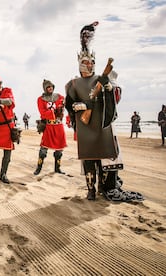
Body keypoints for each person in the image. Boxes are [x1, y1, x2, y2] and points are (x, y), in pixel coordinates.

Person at [65, 21, 143, 201]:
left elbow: (113, 96)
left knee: (107, 156)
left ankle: (105, 186)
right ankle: (90, 190)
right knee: (90, 158)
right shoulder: (73, 83)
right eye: (86, 62)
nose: (90, 65)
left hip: (103, 124)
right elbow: (69, 104)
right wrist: (79, 107)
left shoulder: (100, 79)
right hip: (86, 127)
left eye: (92, 62)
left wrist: (108, 88)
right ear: (79, 63)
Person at [33, 79, 67, 175]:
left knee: (59, 149)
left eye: (51, 86)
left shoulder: (60, 97)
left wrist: (61, 110)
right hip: (48, 126)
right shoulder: (40, 99)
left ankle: (57, 168)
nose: (50, 88)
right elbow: (42, 113)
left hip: (59, 125)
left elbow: (64, 106)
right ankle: (38, 168)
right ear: (45, 89)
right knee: (43, 149)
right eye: (48, 87)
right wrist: (54, 112)